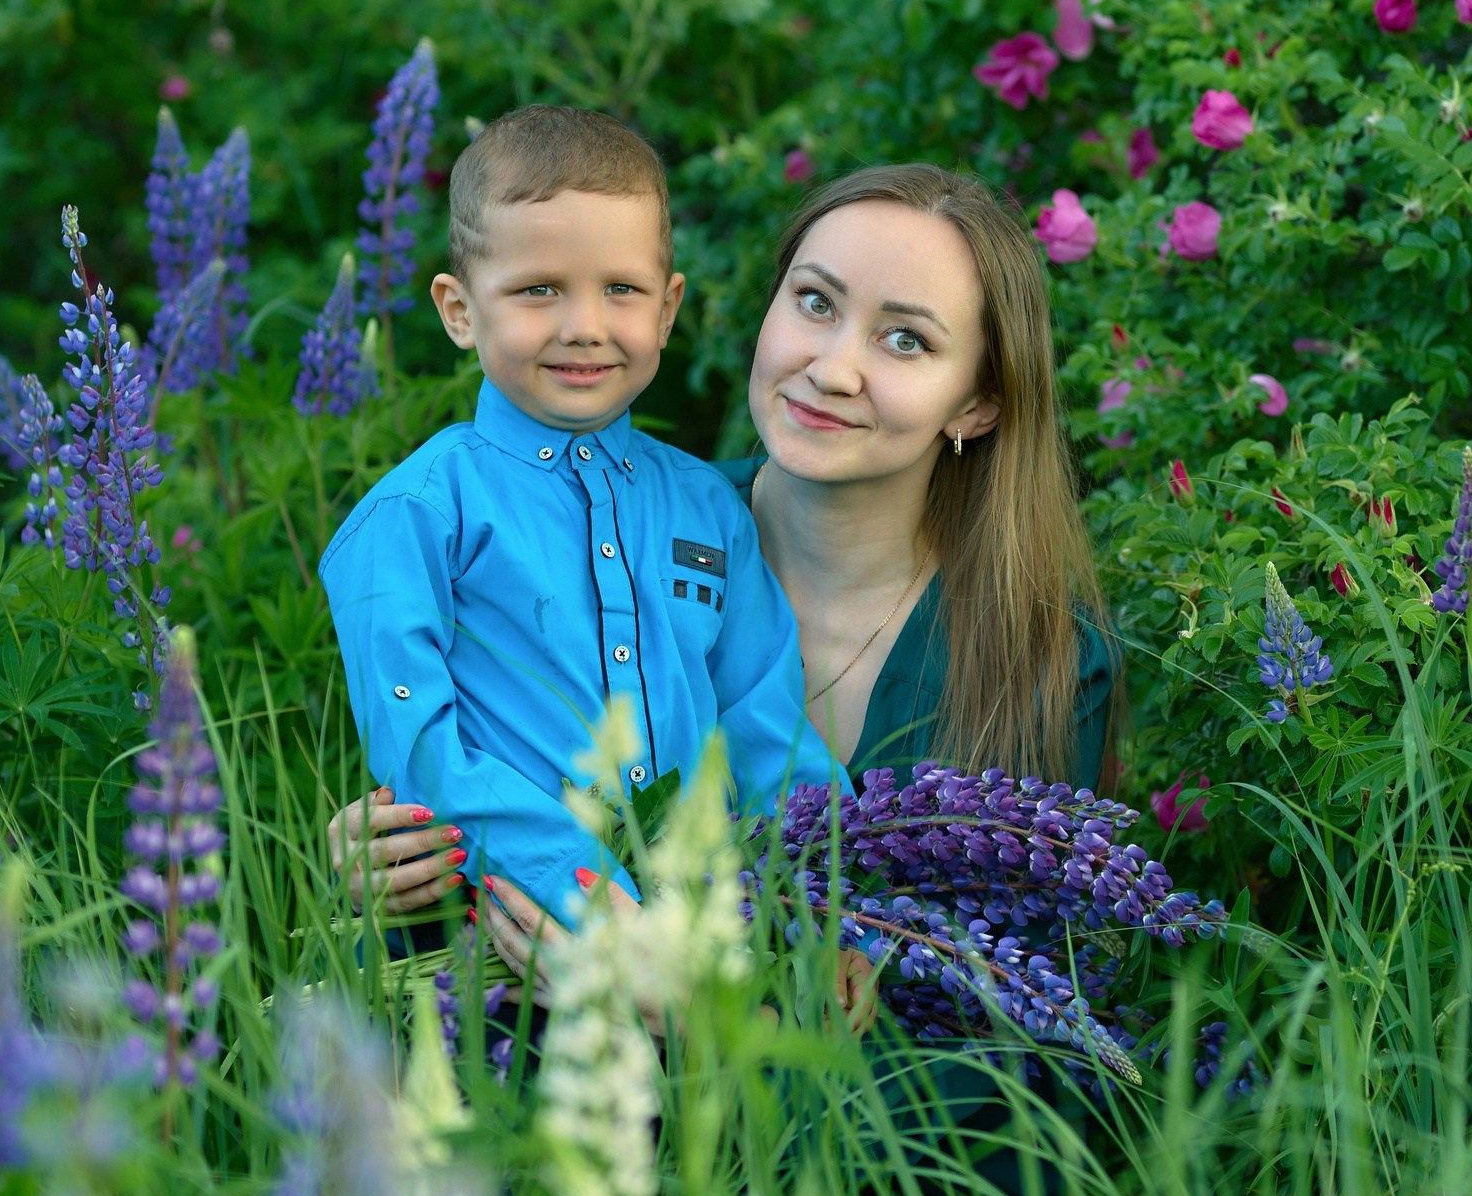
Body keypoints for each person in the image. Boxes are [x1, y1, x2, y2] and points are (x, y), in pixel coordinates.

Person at [338, 162, 1117, 995]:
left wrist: (717, 997)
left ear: (976, 404)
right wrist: (388, 856)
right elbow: (446, 751)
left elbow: (1000, 1023)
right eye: (815, 301)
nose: (833, 368)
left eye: (906, 340)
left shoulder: (1046, 656)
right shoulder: (585, 519)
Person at [317, 105, 840, 934]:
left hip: (711, 937)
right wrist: (595, 899)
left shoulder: (709, 508)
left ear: (666, 308)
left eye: (621, 289)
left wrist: (835, 917)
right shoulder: (413, 517)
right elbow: (426, 755)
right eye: (539, 289)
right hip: (496, 939)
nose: (585, 327)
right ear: (459, 310)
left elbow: (768, 734)